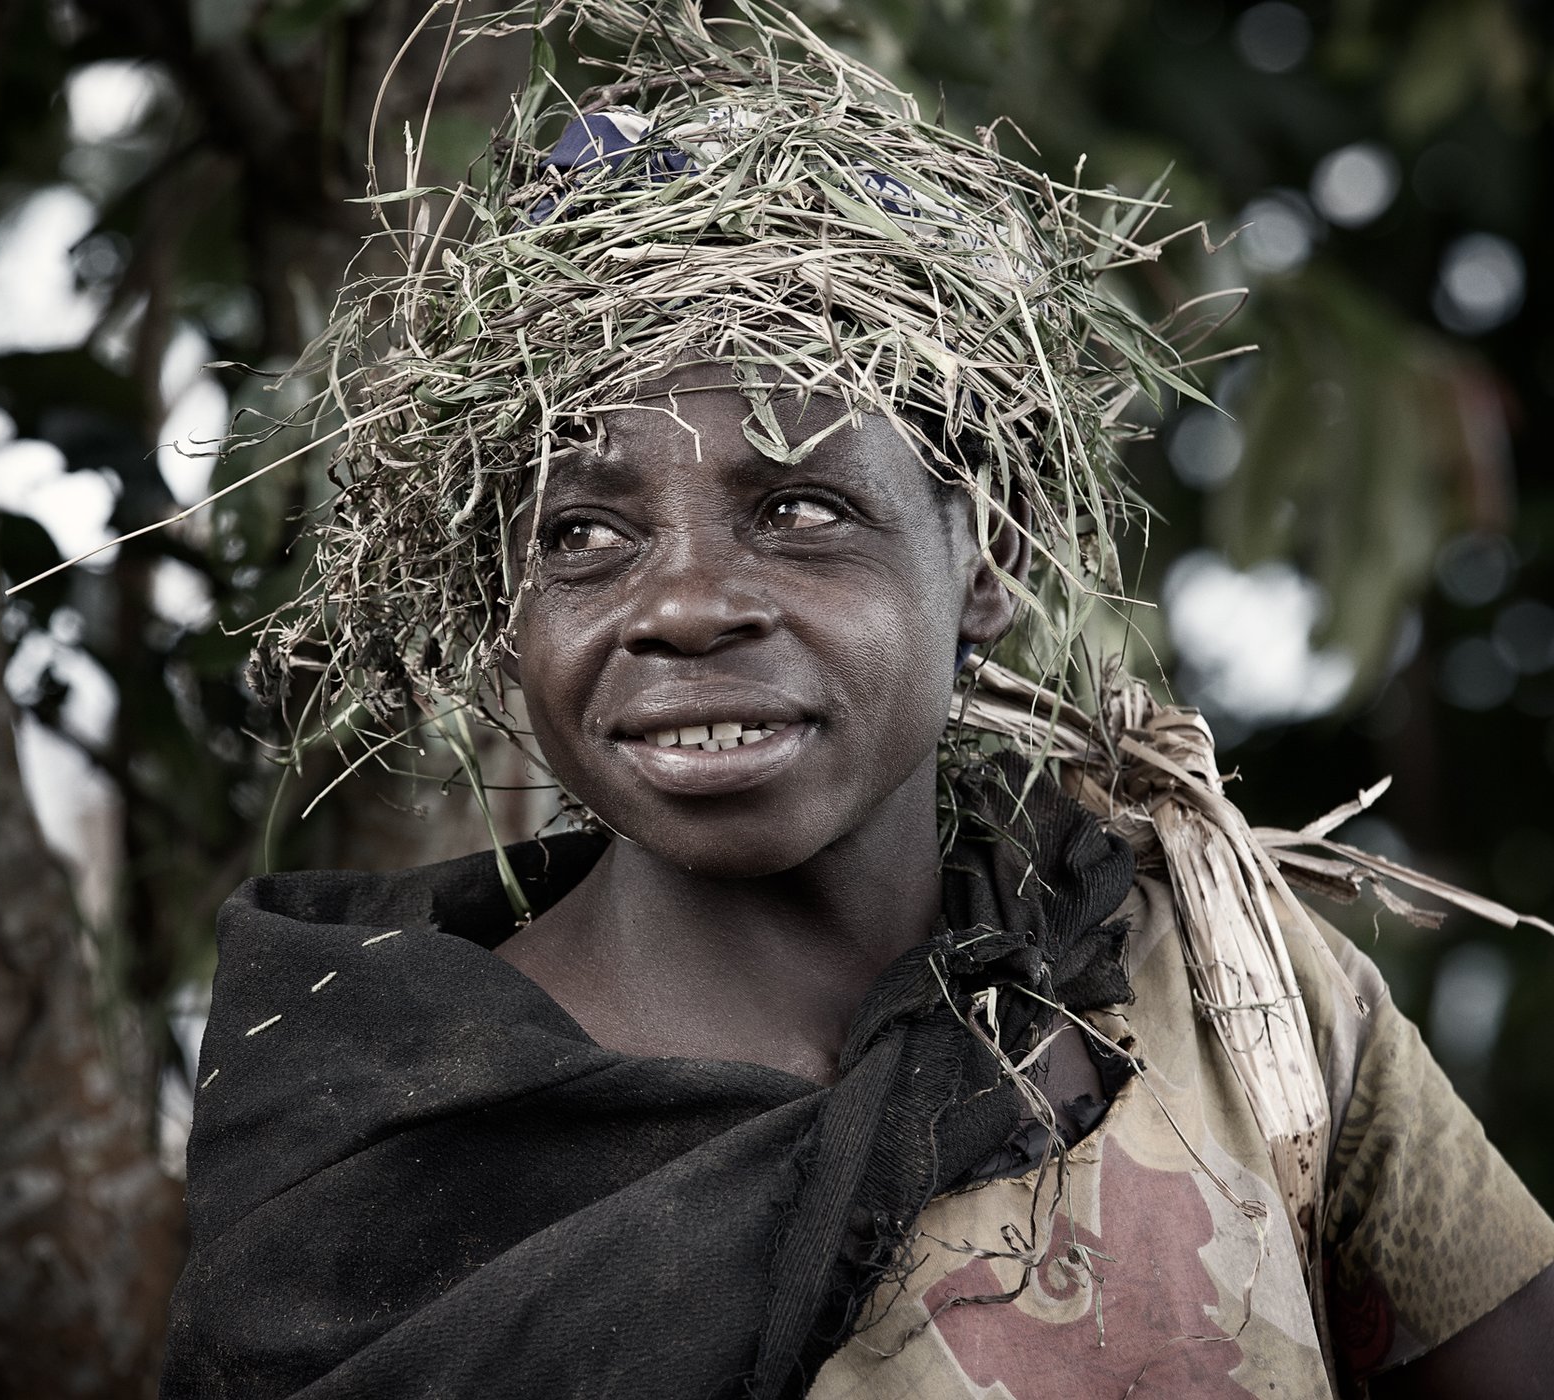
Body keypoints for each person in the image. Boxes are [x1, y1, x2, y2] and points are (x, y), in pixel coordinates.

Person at [159, 2, 1554, 1396]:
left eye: (800, 505)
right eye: (582, 533)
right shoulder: (387, 1155)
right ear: (502, 607)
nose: (688, 604)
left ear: (985, 555)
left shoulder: (1221, 989)